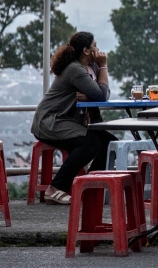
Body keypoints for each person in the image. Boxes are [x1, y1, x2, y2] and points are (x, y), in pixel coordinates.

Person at [30, 32, 116, 204]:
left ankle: (91, 188)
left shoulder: (92, 68)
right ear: (85, 50)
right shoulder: (75, 69)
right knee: (91, 143)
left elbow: (103, 92)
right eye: (94, 46)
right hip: (50, 121)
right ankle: (55, 189)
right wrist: (104, 66)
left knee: (109, 142)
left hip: (66, 121)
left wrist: (94, 87)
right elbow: (101, 96)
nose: (98, 50)